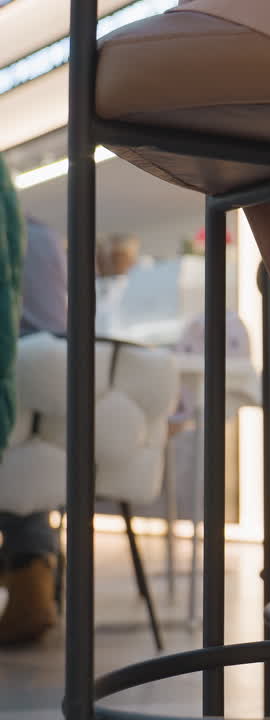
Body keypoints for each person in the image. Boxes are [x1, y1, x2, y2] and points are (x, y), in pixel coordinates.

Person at [0, 160, 61, 647]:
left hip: (19, 374)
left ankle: (31, 577)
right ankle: (34, 572)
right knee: (30, 456)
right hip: (59, 391)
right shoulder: (42, 234)